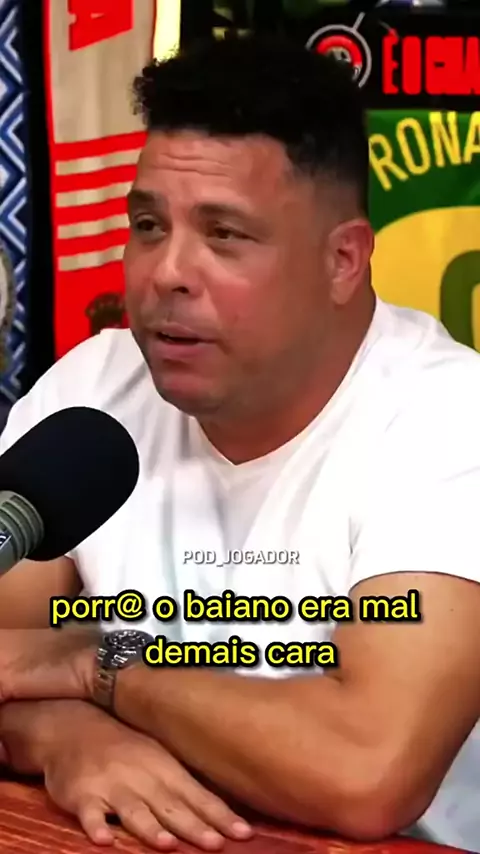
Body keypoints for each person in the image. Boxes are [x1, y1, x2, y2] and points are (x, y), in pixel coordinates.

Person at [0, 34, 479, 854]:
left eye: (224, 235)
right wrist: (65, 737)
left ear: (343, 260)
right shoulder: (93, 387)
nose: (167, 272)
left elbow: (367, 769)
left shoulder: (448, 419)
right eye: (148, 225)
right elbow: (8, 659)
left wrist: (101, 665)